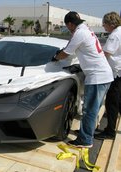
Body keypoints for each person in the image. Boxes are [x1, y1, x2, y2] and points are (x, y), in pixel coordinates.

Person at [54, 11, 114, 148]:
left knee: (89, 110)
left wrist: (55, 58)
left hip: (97, 77)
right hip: (103, 76)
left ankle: (85, 140)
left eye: (67, 25)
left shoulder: (79, 33)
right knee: (92, 110)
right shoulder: (85, 29)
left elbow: (65, 53)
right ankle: (85, 132)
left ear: (69, 24)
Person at [94, 12, 121, 140]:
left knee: (112, 103)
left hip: (116, 73)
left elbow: (106, 54)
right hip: (119, 71)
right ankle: (110, 129)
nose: (103, 26)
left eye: (104, 24)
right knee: (118, 102)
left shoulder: (115, 35)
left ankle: (110, 132)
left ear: (111, 24)